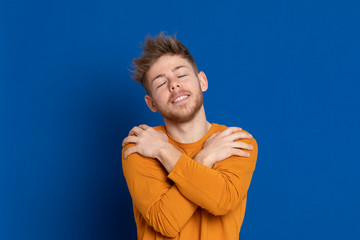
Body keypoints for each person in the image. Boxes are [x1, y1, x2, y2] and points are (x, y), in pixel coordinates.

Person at [122, 32, 258, 240]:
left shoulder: (235, 141)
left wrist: (163, 151)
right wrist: (205, 158)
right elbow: (165, 221)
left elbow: (221, 201)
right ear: (151, 104)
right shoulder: (141, 145)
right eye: (160, 83)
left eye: (181, 75)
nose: (174, 85)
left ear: (202, 81)